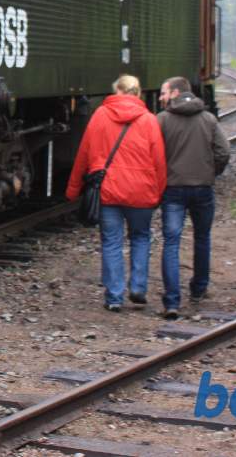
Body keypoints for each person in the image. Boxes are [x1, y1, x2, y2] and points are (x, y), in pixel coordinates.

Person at [65, 75, 166, 312]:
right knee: (141, 238)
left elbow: (84, 155)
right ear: (138, 93)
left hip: (109, 190)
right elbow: (159, 161)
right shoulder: (149, 120)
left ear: (116, 91)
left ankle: (114, 297)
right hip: (141, 192)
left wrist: (72, 190)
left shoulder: (100, 115)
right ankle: (138, 288)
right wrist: (158, 192)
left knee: (111, 242)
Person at [157, 76, 230, 318]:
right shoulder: (208, 119)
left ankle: (172, 301)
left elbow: (153, 154)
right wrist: (211, 173)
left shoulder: (163, 120)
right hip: (203, 188)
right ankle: (199, 289)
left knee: (171, 242)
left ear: (175, 93)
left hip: (174, 189)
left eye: (164, 92)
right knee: (202, 237)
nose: (160, 97)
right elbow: (223, 151)